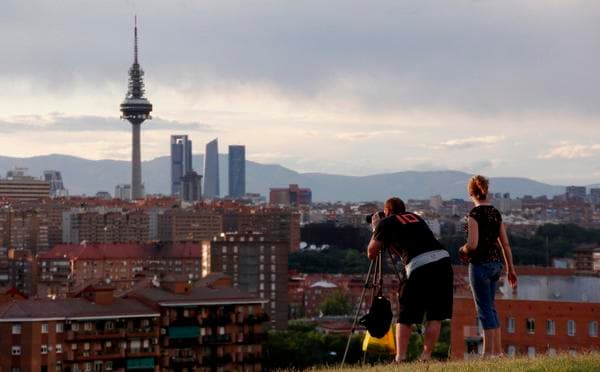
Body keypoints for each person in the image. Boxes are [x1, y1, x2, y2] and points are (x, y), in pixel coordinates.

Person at [368, 197, 453, 363]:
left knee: (406, 315)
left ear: (386, 212)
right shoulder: (416, 217)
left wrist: (376, 229)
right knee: (435, 315)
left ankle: (400, 358)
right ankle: (426, 357)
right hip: (443, 262)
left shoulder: (386, 223)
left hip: (419, 265)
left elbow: (372, 252)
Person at [459, 175, 518, 358]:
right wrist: (511, 269)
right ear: (486, 191)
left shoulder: (474, 215)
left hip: (480, 265)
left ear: (471, 193)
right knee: (491, 307)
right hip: (496, 264)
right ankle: (498, 351)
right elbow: (505, 245)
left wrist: (462, 249)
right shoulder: (495, 213)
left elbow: (473, 244)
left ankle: (488, 354)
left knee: (484, 309)